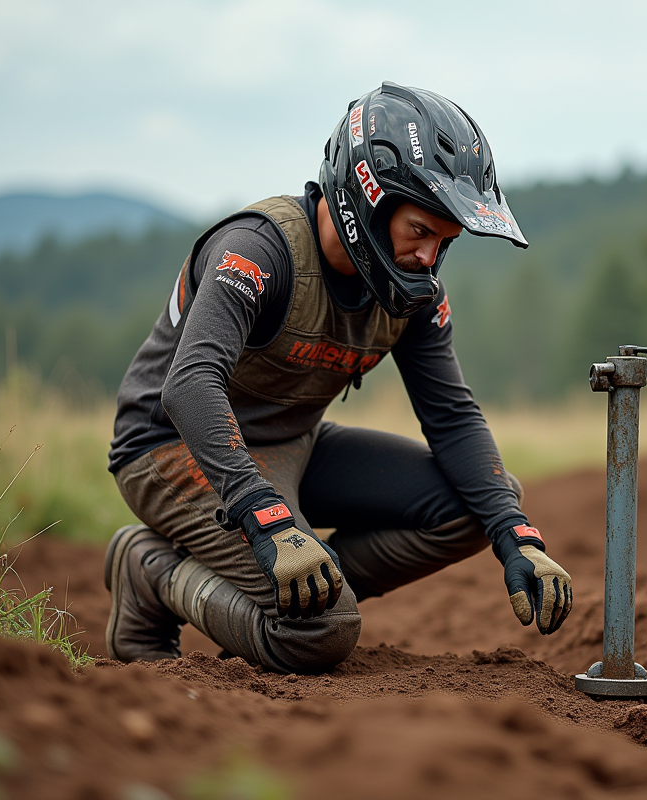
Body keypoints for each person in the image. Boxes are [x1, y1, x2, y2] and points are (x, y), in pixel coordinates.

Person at [104, 82, 573, 673]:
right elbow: (190, 383)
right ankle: (152, 571)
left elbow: (452, 415)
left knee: (480, 506)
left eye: (444, 240)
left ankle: (295, 593)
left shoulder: (413, 291)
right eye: (420, 231)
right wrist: (263, 515)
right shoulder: (258, 250)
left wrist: (515, 533)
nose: (429, 257)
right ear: (368, 201)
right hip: (170, 447)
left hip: (291, 443)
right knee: (322, 633)